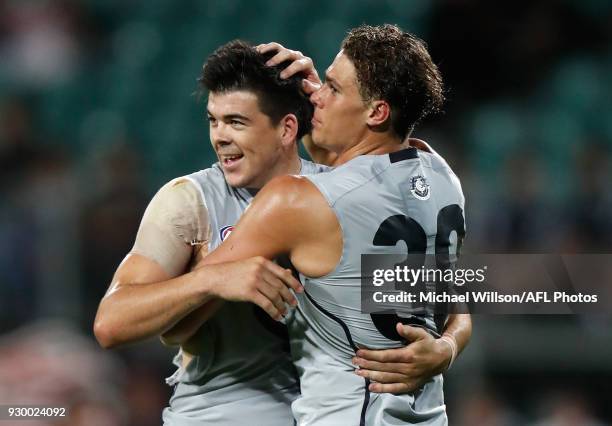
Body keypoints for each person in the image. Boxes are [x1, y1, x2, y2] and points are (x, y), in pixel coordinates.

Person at [93, 39, 467, 425]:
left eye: (236, 121)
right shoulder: (435, 175)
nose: (219, 135)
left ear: (287, 127)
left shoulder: (309, 197)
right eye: (213, 120)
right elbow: (113, 323)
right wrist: (448, 345)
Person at [197, 25, 470, 425]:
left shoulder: (295, 200)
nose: (316, 96)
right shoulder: (442, 176)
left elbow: (191, 296)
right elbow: (457, 305)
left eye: (332, 88)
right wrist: (446, 348)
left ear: (376, 112)